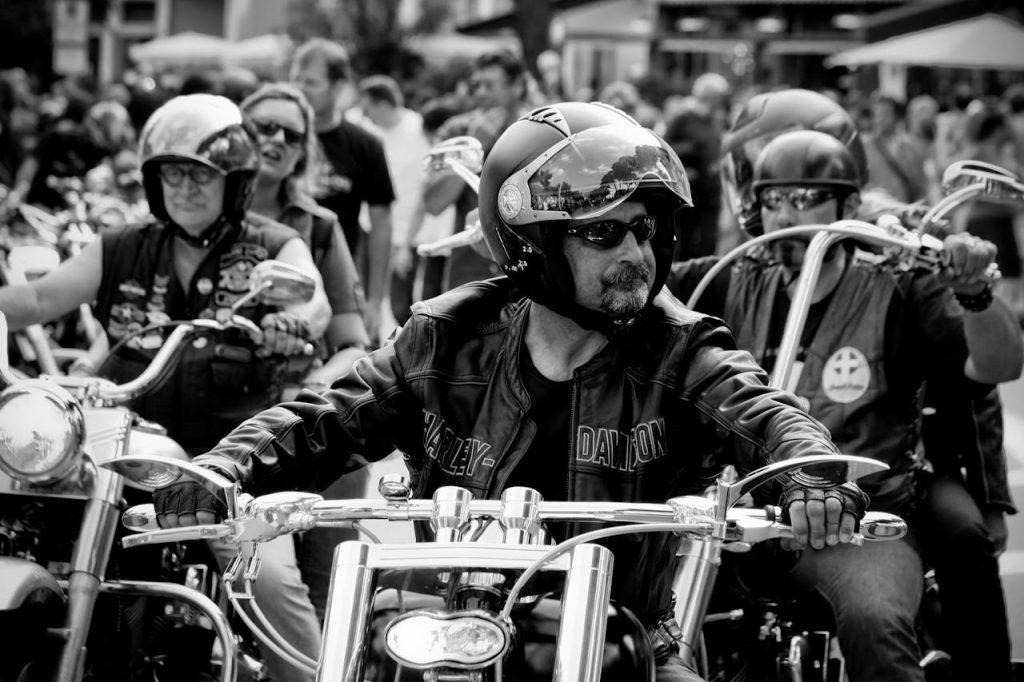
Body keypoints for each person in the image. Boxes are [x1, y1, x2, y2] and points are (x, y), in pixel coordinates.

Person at [153, 101, 873, 682]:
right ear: (534, 241)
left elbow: (765, 411)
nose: (636, 255)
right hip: (449, 622)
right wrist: (223, 468)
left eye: (644, 232)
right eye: (603, 235)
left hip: (623, 635)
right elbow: (324, 414)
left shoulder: (680, 349)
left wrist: (808, 476)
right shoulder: (444, 337)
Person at [667, 130, 1022, 682]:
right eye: (775, 200)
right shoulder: (734, 276)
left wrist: (975, 291)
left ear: (849, 205)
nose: (788, 214)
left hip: (862, 518)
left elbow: (995, 369)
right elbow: (634, 289)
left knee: (875, 620)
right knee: (646, 621)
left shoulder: (899, 285)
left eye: (806, 199)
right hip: (732, 519)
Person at [0, 93, 332, 682]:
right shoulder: (122, 246)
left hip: (234, 466)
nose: (184, 187)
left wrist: (292, 324)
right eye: (171, 173)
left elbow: (313, 300)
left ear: (235, 182)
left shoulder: (275, 244)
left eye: (201, 174)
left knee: (271, 582)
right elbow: (38, 300)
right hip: (124, 452)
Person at [240, 82, 372, 387]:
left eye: (292, 136)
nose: (277, 139)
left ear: (301, 153)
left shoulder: (320, 226)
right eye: (265, 127)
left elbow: (354, 347)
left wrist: (310, 392)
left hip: (286, 405)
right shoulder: (198, 216)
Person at [290, 38, 395, 343]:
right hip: (282, 279)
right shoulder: (278, 139)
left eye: (310, 82)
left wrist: (377, 299)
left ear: (338, 87)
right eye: (295, 79)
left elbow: (381, 225)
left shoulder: (365, 145)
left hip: (341, 282)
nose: (299, 89)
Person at [424, 49, 529, 291]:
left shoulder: (538, 129)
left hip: (527, 266)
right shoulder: (457, 131)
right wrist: (474, 146)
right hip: (470, 271)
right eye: (476, 85)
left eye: (490, 85)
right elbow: (434, 203)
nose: (481, 93)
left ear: (517, 86)